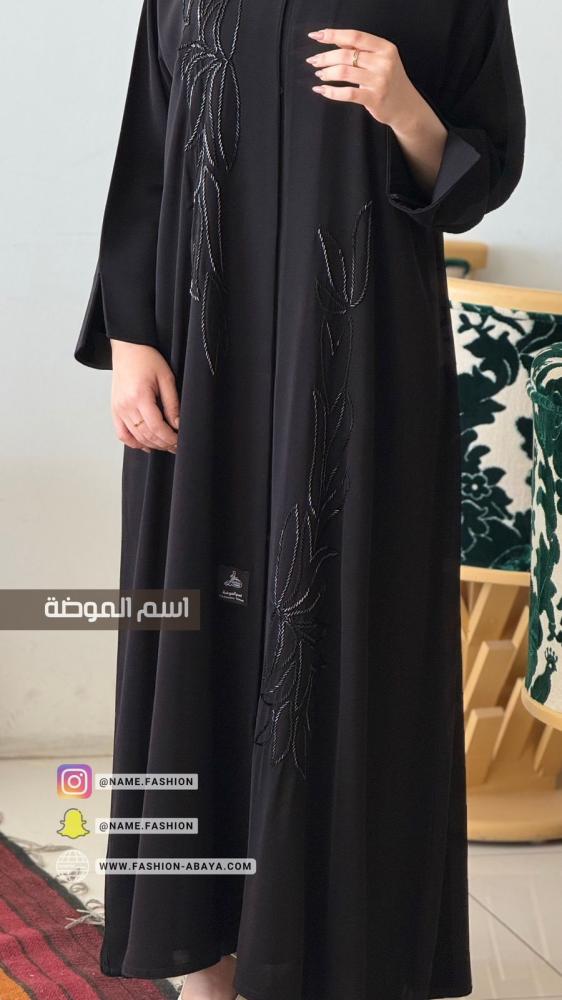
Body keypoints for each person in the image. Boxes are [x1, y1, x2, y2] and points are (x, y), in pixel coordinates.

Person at [74, 1, 526, 999]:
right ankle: (199, 964)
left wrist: (405, 110)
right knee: (193, 635)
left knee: (349, 633)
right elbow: (148, 148)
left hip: (360, 363)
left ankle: (344, 963)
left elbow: (482, 172)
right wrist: (131, 337)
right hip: (200, 358)